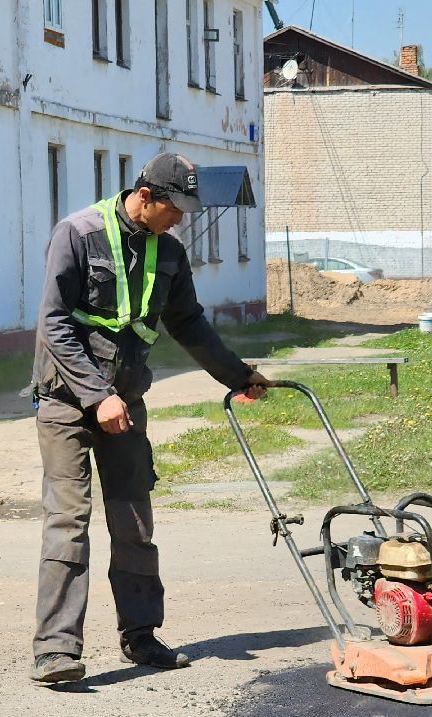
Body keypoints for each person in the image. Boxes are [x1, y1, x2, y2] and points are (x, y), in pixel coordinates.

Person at [30, 152, 271, 685]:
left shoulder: (170, 252)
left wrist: (238, 375)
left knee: (135, 522)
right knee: (69, 522)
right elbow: (53, 322)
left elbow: (189, 324)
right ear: (145, 196)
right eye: (174, 208)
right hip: (67, 403)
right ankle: (55, 651)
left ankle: (140, 637)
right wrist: (96, 396)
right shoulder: (77, 234)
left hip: (126, 405)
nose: (180, 218)